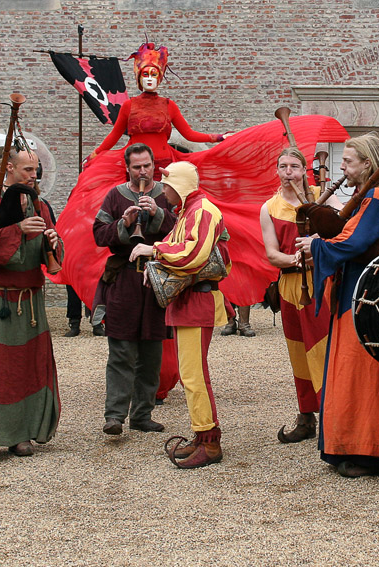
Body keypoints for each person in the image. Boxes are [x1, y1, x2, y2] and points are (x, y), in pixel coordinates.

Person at [295, 132, 379, 478]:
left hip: (364, 295)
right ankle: (356, 446)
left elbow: (354, 241)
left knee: (359, 371)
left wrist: (316, 246)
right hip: (360, 291)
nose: (343, 167)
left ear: (367, 163)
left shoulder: (378, 194)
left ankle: (365, 450)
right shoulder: (370, 195)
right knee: (354, 369)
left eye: (348, 161)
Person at [131, 161, 233, 468]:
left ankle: (209, 442)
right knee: (192, 374)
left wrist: (154, 251)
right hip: (189, 300)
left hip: (197, 301)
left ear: (181, 185)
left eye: (168, 183)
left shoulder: (202, 210)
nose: (163, 189)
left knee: (193, 375)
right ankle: (203, 436)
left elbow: (194, 255)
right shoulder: (190, 211)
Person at [0, 148, 62, 461]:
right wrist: (16, 229)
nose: (33, 176)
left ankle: (21, 437)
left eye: (35, 171)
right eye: (27, 170)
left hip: (31, 302)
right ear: (8, 167)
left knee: (26, 369)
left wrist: (53, 241)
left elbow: (53, 254)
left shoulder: (38, 203)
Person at [93, 143, 176, 436]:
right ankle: (114, 416)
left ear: (154, 165)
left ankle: (142, 414)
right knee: (121, 352)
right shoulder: (115, 195)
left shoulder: (167, 193)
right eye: (137, 167)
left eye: (147, 166)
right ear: (127, 168)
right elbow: (99, 235)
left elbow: (181, 232)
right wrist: (124, 222)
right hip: (124, 281)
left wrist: (157, 214)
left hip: (156, 281)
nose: (143, 171)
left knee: (152, 352)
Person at [259, 147, 339, 442]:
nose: (288, 171)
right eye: (283, 166)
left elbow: (346, 229)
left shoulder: (323, 197)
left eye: (294, 166)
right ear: (277, 171)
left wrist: (319, 242)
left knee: (325, 349)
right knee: (298, 354)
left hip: (321, 283)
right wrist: (297, 260)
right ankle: (306, 416)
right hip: (290, 287)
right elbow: (271, 254)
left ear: (305, 170)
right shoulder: (269, 207)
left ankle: (334, 415)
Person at [87, 42, 230, 170]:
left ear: (159, 77)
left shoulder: (169, 105)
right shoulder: (129, 105)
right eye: (145, 74)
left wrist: (219, 137)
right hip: (136, 167)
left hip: (164, 165)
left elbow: (189, 134)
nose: (149, 79)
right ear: (139, 78)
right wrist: (95, 154)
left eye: (153, 74)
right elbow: (114, 136)